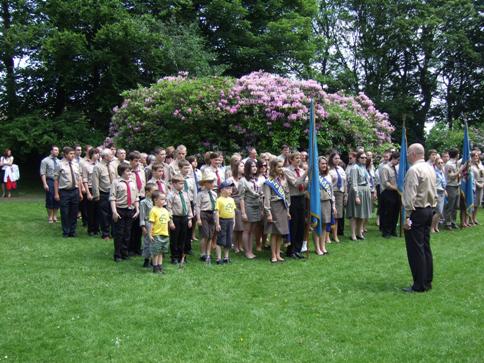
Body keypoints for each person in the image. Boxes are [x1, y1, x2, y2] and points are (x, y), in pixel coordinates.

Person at [402, 143, 437, 293]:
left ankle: (419, 284)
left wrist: (407, 216)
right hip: (429, 210)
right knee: (425, 247)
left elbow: (410, 195)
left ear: (414, 153)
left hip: (417, 211)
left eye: (409, 153)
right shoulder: (430, 168)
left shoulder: (414, 170)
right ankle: (427, 280)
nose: (407, 156)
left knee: (416, 249)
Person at [110, 163, 140, 262]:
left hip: (130, 210)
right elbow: (113, 198)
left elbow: (136, 197)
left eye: (130, 171)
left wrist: (137, 209)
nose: (130, 173)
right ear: (122, 172)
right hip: (120, 210)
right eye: (128, 171)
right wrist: (114, 211)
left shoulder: (133, 182)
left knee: (127, 233)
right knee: (119, 233)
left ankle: (125, 252)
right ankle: (117, 254)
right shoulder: (116, 182)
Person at [263, 158, 291, 263]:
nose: (281, 169)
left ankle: (278, 254)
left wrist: (287, 211)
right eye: (279, 167)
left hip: (282, 207)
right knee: (274, 233)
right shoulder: (268, 182)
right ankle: (273, 255)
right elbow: (267, 198)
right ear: (273, 167)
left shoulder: (281, 180)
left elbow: (286, 196)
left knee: (281, 232)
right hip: (274, 208)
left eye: (282, 166)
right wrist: (268, 213)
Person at [54, 147, 83, 238]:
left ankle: (72, 231)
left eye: (73, 154)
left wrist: (80, 192)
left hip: (75, 191)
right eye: (70, 154)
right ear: (65, 154)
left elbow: (78, 179)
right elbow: (56, 180)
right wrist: (56, 193)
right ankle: (66, 231)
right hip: (64, 191)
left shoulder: (76, 164)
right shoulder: (60, 164)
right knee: (65, 212)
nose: (73, 155)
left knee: (74, 212)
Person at [284, 152, 308, 259]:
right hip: (293, 199)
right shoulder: (287, 171)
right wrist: (306, 174)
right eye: (296, 158)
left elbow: (305, 185)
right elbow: (296, 183)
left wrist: (309, 179)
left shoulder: (302, 171)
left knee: (301, 224)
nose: (299, 160)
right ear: (291, 160)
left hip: (302, 198)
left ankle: (298, 249)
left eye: (300, 158)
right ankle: (291, 250)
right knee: (293, 224)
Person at [239, 159, 263, 259]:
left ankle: (250, 250)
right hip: (248, 206)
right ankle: (247, 251)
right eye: (252, 166)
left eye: (255, 166)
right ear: (248, 168)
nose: (255, 168)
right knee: (247, 230)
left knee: (252, 230)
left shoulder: (256, 179)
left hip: (256, 206)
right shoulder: (243, 180)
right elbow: (241, 198)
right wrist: (243, 213)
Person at [166, 174, 193, 264]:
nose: (182, 185)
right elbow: (168, 208)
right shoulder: (171, 195)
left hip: (184, 218)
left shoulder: (185, 194)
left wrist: (189, 218)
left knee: (183, 238)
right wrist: (171, 221)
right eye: (180, 183)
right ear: (174, 184)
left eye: (183, 183)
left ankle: (182, 256)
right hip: (175, 218)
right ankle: (174, 257)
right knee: (175, 238)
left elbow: (188, 206)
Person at [92, 149, 117, 240]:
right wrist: (96, 195)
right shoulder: (98, 167)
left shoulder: (113, 166)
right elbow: (95, 182)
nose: (112, 156)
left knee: (114, 213)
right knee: (104, 215)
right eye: (110, 155)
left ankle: (114, 233)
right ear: (105, 156)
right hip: (104, 193)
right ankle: (105, 234)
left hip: (113, 193)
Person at [346, 151, 372, 241]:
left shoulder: (364, 168)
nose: (364, 159)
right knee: (355, 214)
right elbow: (354, 183)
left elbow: (368, 181)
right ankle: (353, 234)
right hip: (357, 192)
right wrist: (356, 196)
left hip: (365, 191)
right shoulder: (355, 168)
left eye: (365, 158)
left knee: (362, 213)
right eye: (362, 157)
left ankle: (359, 233)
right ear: (357, 158)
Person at [314, 156, 335, 255]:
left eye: (325, 164)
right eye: (322, 163)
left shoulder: (328, 176)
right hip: (318, 202)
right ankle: (317, 247)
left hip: (327, 201)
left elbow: (331, 191)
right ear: (317, 164)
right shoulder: (314, 176)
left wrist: (333, 205)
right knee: (317, 225)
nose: (324, 165)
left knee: (324, 225)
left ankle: (323, 246)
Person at [195, 171, 217, 262]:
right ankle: (203, 253)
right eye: (210, 182)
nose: (212, 184)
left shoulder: (214, 194)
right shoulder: (200, 194)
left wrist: (216, 217)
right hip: (203, 214)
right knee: (205, 235)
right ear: (205, 183)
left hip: (211, 214)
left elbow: (216, 207)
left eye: (213, 182)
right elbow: (197, 206)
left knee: (210, 235)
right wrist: (198, 218)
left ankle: (208, 253)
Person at [148, 191, 172, 274]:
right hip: (157, 234)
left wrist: (168, 232)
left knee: (161, 252)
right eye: (161, 199)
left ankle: (160, 266)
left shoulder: (165, 210)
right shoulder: (153, 210)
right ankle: (155, 267)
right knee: (156, 252)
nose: (164, 201)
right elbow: (151, 223)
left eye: (164, 199)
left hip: (164, 234)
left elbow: (167, 222)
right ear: (155, 200)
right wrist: (150, 234)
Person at [128, 151, 146, 255]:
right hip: (133, 199)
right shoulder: (128, 172)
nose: (138, 163)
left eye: (139, 160)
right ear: (130, 161)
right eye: (135, 161)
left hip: (142, 197)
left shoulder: (141, 171)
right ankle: (130, 248)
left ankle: (137, 247)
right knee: (132, 224)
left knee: (140, 223)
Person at [379, 151, 401, 238]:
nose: (399, 162)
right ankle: (386, 231)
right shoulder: (385, 168)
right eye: (398, 160)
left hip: (396, 193)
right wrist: (395, 188)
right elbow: (385, 183)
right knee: (388, 212)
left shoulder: (395, 168)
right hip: (387, 193)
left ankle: (393, 230)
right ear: (393, 159)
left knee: (395, 212)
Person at [214, 180, 236, 264]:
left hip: (230, 221)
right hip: (222, 221)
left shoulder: (231, 199)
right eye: (228, 188)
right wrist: (217, 223)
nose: (230, 190)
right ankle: (218, 258)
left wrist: (234, 221)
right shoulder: (219, 200)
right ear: (222, 190)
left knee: (228, 240)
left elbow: (233, 211)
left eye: (231, 188)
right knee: (220, 240)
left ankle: (226, 257)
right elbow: (217, 212)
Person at [179, 159, 197, 255]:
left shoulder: (191, 179)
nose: (187, 170)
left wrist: (195, 204)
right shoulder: (177, 178)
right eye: (185, 168)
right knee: (181, 225)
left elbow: (194, 192)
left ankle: (188, 247)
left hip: (190, 202)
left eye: (188, 168)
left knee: (189, 225)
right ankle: (179, 246)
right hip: (180, 202)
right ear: (180, 168)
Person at [227, 158, 245, 253]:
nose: (243, 168)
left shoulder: (245, 179)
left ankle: (240, 244)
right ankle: (235, 245)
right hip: (233, 204)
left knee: (242, 226)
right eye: (241, 166)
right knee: (236, 226)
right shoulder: (230, 180)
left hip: (243, 204)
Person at [82, 147, 100, 236]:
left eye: (98, 153)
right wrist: (88, 193)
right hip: (90, 188)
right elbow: (84, 179)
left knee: (98, 210)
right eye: (96, 153)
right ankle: (91, 229)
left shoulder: (100, 165)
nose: (98, 155)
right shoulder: (86, 165)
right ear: (92, 155)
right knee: (91, 210)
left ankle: (97, 228)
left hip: (98, 189)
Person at [328, 152, 346, 241]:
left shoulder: (341, 169)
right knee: (328, 215)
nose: (337, 160)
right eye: (335, 158)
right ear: (331, 159)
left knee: (337, 216)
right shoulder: (328, 169)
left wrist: (345, 194)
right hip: (331, 193)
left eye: (338, 158)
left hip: (340, 193)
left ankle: (335, 235)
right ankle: (327, 236)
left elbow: (344, 182)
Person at [40, 145, 61, 223]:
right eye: (55, 150)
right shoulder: (45, 161)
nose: (57, 152)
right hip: (50, 181)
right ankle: (50, 217)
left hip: (58, 182)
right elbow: (42, 173)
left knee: (57, 199)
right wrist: (45, 184)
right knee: (50, 199)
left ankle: (55, 216)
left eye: (58, 150)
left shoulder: (59, 161)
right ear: (51, 151)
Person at [140, 183, 156, 268]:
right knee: (147, 242)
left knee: (154, 241)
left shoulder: (155, 201)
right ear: (147, 192)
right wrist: (143, 227)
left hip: (155, 223)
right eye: (153, 191)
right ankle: (146, 260)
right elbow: (142, 215)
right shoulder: (143, 202)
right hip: (148, 223)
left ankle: (153, 260)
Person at [444, 148, 460, 229]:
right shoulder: (449, 164)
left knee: (455, 206)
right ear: (456, 155)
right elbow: (451, 176)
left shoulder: (455, 163)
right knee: (450, 205)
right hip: (450, 186)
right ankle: (448, 223)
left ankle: (453, 221)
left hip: (456, 185)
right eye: (458, 153)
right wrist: (461, 170)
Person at [432, 157, 447, 233]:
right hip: (437, 193)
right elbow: (433, 184)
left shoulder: (442, 171)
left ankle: (436, 226)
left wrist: (445, 190)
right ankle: (432, 227)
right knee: (438, 212)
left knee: (440, 211)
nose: (441, 164)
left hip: (442, 192)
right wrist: (435, 194)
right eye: (439, 163)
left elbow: (443, 182)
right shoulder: (434, 172)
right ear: (435, 164)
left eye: (442, 163)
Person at [471, 150, 483, 224]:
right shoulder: (471, 166)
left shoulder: (481, 165)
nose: (476, 157)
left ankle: (474, 218)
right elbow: (472, 177)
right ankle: (470, 219)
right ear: (472, 157)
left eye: (477, 156)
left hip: (481, 185)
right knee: (473, 203)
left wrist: (483, 184)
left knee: (478, 203)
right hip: (474, 185)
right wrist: (477, 184)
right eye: (475, 156)